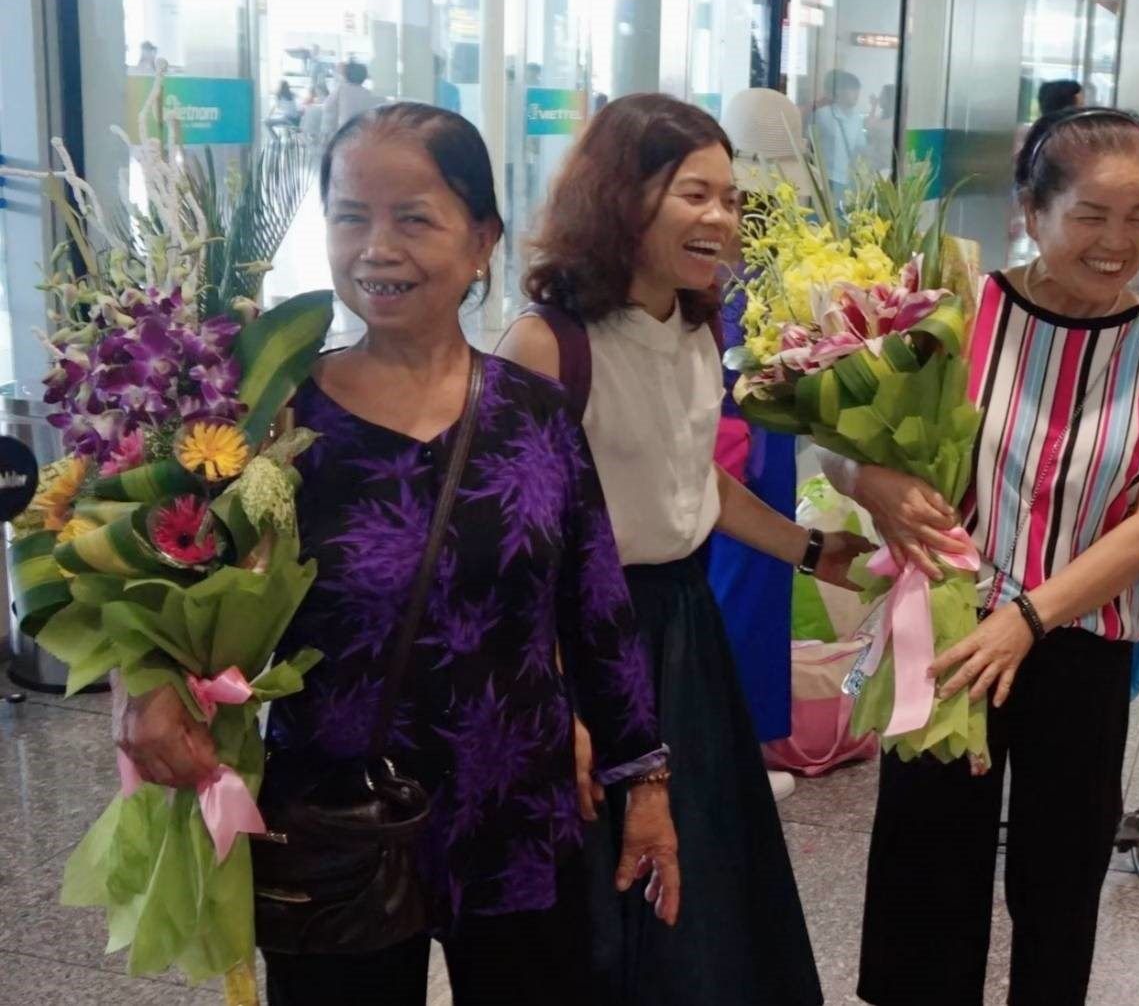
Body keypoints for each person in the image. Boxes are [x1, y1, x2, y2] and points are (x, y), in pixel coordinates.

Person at [112, 101, 681, 1006]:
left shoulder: (535, 416)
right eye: (351, 216)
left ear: (483, 237)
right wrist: (143, 680)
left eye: (414, 217)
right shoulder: (270, 420)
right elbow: (168, 580)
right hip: (336, 820)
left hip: (519, 821)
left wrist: (642, 783)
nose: (377, 247)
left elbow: (598, 609)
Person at [499, 93, 871, 1006]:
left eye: (730, 199)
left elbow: (694, 480)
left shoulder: (700, 328)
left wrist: (810, 549)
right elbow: (514, 552)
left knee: (702, 877)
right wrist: (556, 705)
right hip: (584, 641)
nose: (721, 219)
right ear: (622, 198)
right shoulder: (548, 345)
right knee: (605, 893)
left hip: (684, 629)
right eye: (692, 194)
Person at [824, 107, 1139, 1006]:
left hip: (1078, 638)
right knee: (925, 874)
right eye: (1092, 216)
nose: (1118, 243)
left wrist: (1028, 618)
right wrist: (871, 481)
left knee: (1060, 880)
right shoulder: (953, 313)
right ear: (1030, 211)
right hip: (946, 626)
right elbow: (834, 434)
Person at [711, 88, 811, 785]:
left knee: (752, 582)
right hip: (740, 441)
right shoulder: (770, 250)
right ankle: (733, 745)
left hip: (749, 437)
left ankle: (739, 744)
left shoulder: (720, 237)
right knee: (743, 585)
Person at [812, 69, 866, 201]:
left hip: (848, 179)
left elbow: (860, 146)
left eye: (857, 89)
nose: (856, 94)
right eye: (852, 89)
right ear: (839, 91)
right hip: (827, 177)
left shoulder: (857, 117)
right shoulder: (823, 114)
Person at [321, 59, 380, 138]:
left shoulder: (342, 89)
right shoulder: (369, 94)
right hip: (364, 135)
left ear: (346, 75)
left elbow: (327, 106)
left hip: (345, 133)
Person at [865, 84, 896, 175]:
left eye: (882, 95)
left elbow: (871, 126)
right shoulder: (880, 118)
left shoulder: (894, 120)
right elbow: (869, 127)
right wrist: (873, 106)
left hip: (886, 166)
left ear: (890, 99)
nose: (879, 98)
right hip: (875, 164)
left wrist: (874, 106)